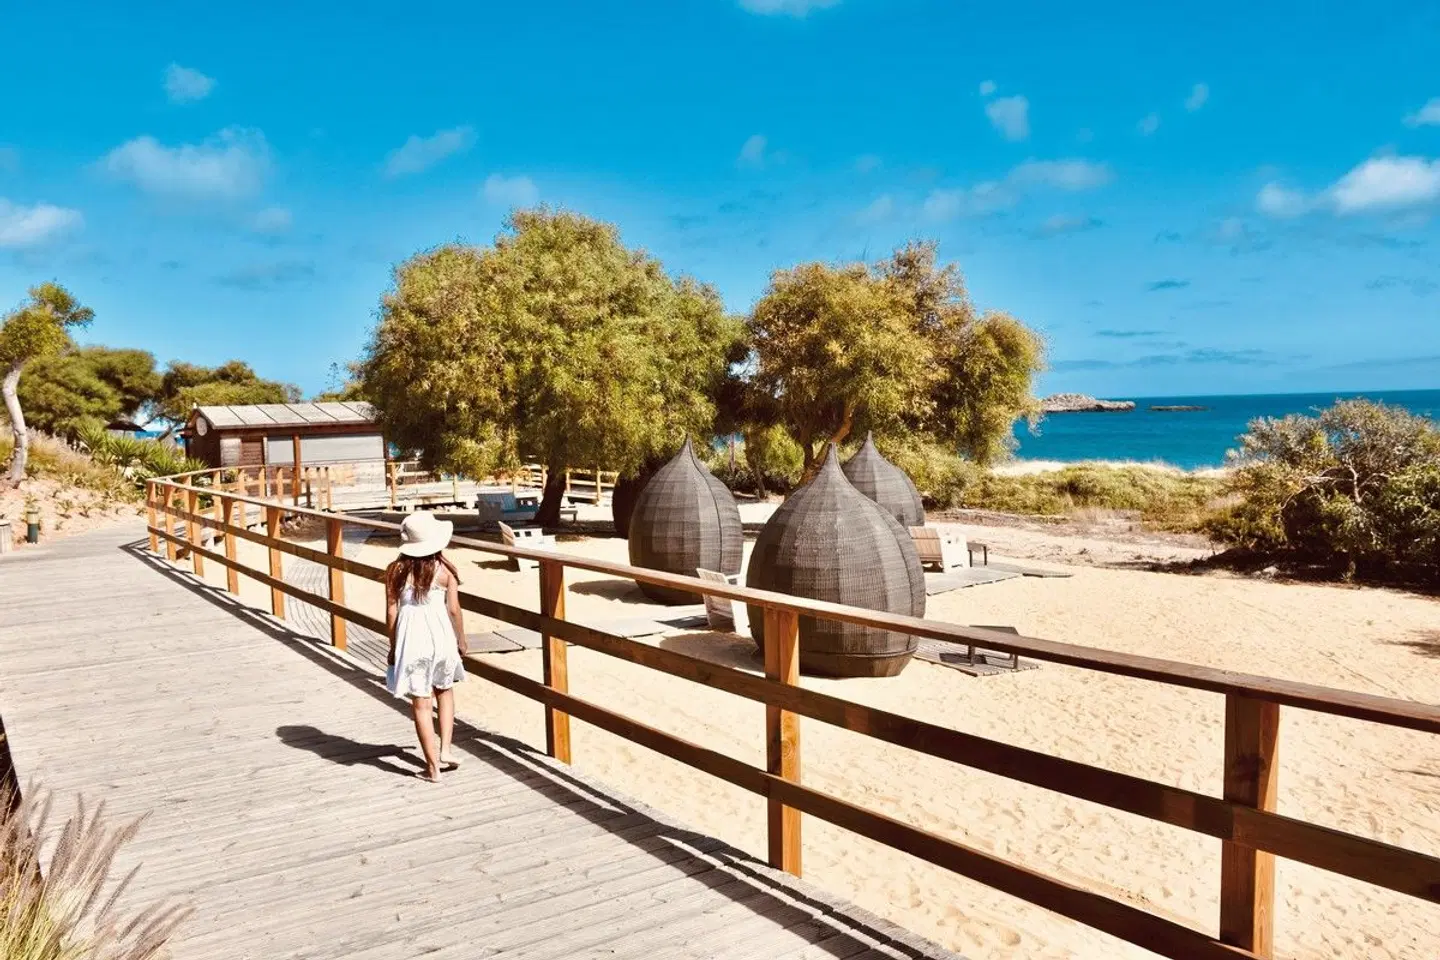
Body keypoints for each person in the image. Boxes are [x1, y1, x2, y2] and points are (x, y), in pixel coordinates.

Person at [385, 511, 468, 781]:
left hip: (413, 639)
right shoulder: (446, 570)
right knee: (445, 689)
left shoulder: (395, 571)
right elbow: (453, 609)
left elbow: (392, 611)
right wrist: (461, 638)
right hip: (441, 636)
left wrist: (393, 645)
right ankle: (446, 750)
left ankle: (433, 769)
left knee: (421, 703)